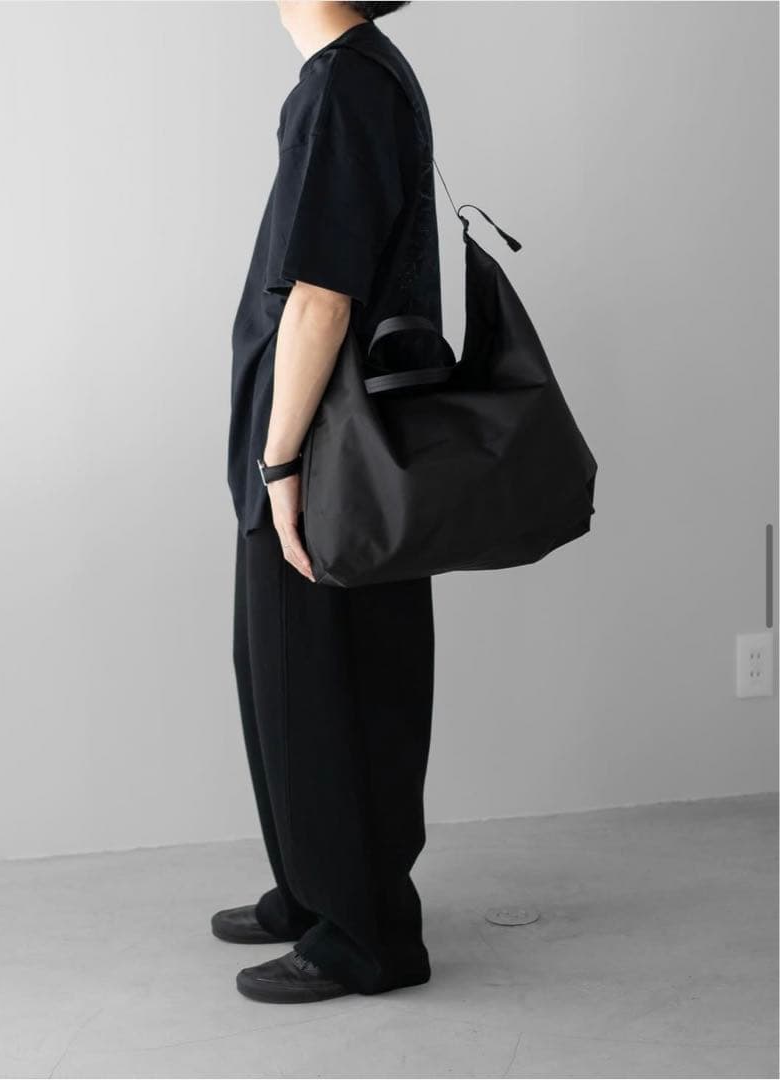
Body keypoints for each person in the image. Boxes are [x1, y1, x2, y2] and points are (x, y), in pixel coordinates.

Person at [220, 0, 442, 1003]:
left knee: (331, 683)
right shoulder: (348, 75)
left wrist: (279, 467)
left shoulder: (348, 84)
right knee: (284, 676)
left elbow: (321, 297)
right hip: (330, 442)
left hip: (326, 453)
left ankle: (366, 935)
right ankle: (314, 892)